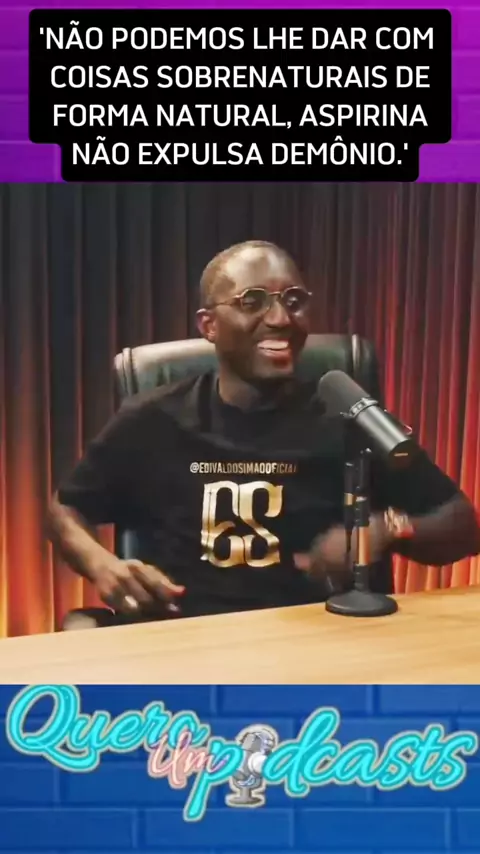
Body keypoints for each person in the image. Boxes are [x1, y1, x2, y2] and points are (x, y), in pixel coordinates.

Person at [48, 241, 480, 630]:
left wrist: (385, 530)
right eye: (251, 301)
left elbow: (462, 524)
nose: (280, 318)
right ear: (209, 325)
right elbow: (64, 509)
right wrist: (101, 564)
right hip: (183, 637)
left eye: (294, 301)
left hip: (317, 640)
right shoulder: (152, 417)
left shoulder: (347, 417)